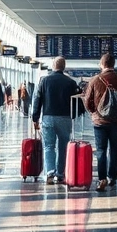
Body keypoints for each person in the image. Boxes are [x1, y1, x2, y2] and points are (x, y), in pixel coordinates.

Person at [83, 53, 117, 192]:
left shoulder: (95, 80)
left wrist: (94, 113)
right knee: (114, 149)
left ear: (102, 64)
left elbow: (87, 101)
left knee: (101, 150)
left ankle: (102, 178)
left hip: (100, 122)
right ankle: (113, 178)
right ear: (113, 65)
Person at [32, 56, 80, 185]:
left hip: (48, 117)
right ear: (64, 67)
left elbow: (37, 99)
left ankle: (49, 173)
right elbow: (76, 101)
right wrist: (74, 116)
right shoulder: (70, 82)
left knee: (49, 146)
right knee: (63, 146)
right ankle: (60, 174)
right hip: (65, 118)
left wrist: (35, 117)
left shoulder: (44, 80)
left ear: (53, 66)